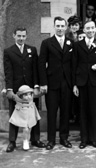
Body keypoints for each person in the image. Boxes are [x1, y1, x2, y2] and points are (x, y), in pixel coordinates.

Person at [3, 27, 45, 152]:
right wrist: (9, 89)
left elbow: (35, 69)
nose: (21, 38)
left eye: (23, 36)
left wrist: (36, 86)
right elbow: (8, 72)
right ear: (14, 36)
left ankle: (35, 139)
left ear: (26, 36)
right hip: (16, 89)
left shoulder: (31, 49)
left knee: (33, 114)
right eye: (19, 36)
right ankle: (12, 141)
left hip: (30, 89)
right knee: (14, 114)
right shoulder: (9, 51)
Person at [39, 16, 73, 150]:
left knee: (65, 112)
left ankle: (64, 138)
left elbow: (74, 63)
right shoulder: (47, 43)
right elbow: (41, 63)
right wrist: (43, 83)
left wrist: (73, 83)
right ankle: (51, 140)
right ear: (54, 27)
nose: (60, 29)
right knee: (52, 112)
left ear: (65, 27)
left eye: (62, 26)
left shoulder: (71, 43)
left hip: (67, 83)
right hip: (51, 84)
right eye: (57, 26)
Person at [72, 21, 96, 149]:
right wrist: (75, 84)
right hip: (81, 82)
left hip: (94, 82)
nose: (91, 30)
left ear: (95, 29)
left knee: (93, 110)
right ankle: (83, 139)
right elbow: (74, 65)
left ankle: (93, 139)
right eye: (88, 28)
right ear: (84, 30)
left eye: (92, 28)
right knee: (82, 111)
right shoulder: (77, 45)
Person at [8, 85, 41, 151]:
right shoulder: (18, 99)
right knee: (25, 129)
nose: (28, 97)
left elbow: (39, 94)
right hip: (22, 114)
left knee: (29, 129)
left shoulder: (31, 99)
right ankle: (24, 141)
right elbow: (15, 97)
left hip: (30, 113)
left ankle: (28, 140)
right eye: (25, 95)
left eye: (29, 94)